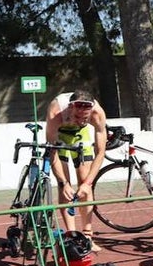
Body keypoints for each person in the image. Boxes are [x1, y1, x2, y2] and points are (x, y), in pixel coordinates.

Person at [45, 89, 108, 251]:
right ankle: (71, 235)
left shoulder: (97, 114)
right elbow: (51, 152)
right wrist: (63, 182)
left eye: (84, 118)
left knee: (84, 183)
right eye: (76, 116)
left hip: (81, 136)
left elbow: (100, 152)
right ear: (70, 108)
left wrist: (88, 183)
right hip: (61, 134)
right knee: (64, 187)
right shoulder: (56, 112)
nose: (80, 120)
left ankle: (87, 236)